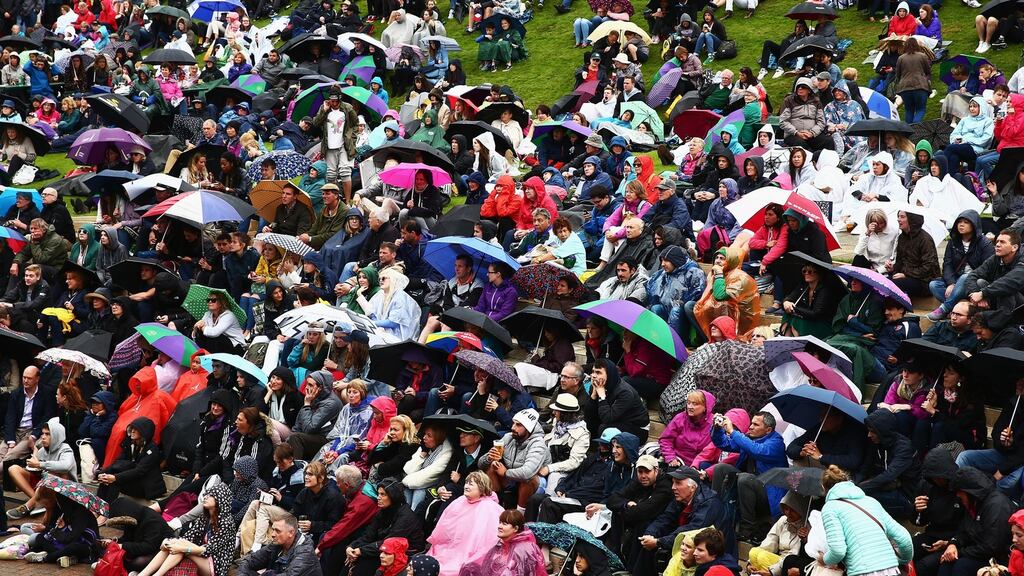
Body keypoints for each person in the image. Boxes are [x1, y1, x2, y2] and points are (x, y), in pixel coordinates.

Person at [819, 465, 913, 576]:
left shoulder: (830, 507)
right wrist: (902, 560)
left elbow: (838, 550)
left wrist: (824, 560)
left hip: (863, 570)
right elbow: (904, 538)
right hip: (891, 570)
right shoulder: (871, 501)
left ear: (824, 488)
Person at [710, 411, 788, 542]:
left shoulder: (777, 443)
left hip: (768, 495)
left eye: (756, 424)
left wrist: (733, 432)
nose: (750, 426)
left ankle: (747, 529)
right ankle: (714, 513)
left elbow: (757, 450)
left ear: (768, 430)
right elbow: (724, 444)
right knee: (721, 468)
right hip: (747, 488)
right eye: (751, 423)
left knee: (745, 478)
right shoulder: (750, 438)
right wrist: (717, 429)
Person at [630, 467, 724, 575]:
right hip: (687, 542)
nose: (673, 487)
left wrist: (659, 542)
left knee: (662, 546)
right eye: (673, 483)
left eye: (678, 483)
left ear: (692, 487)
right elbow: (664, 518)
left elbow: (690, 531)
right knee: (646, 536)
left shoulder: (709, 503)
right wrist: (649, 535)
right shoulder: (681, 498)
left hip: (709, 551)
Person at [427, 471, 505, 576]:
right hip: (450, 549)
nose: (466, 486)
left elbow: (489, 540)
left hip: (470, 554)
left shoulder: (490, 508)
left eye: (471, 484)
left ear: (481, 488)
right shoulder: (460, 501)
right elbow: (445, 526)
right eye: (466, 483)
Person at [345, 478, 425, 576]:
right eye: (378, 494)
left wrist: (360, 551)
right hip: (384, 549)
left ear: (393, 496)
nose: (378, 497)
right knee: (348, 557)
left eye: (383, 494)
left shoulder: (406, 517)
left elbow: (390, 543)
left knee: (365, 562)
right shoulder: (382, 512)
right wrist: (352, 547)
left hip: (403, 554)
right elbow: (368, 536)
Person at [457, 509, 547, 576]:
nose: (499, 526)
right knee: (469, 566)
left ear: (515, 528)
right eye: (500, 522)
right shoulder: (500, 542)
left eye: (505, 524)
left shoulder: (524, 549)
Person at [237, 515, 323, 576]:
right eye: (273, 529)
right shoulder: (276, 545)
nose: (273, 534)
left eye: (277, 531)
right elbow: (248, 561)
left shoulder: (305, 552)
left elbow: (290, 575)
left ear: (291, 532)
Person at [965, 228, 1024, 317]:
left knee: (1006, 290)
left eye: (1002, 242)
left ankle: (999, 322)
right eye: (997, 242)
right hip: (996, 300)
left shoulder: (1022, 259)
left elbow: (1010, 282)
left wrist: (983, 293)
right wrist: (978, 294)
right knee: (980, 282)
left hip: (1019, 304)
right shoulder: (995, 259)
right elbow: (973, 275)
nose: (997, 245)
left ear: (1014, 247)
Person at [588, 358, 650, 443]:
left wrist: (602, 397)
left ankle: (604, 453)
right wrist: (594, 395)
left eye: (598, 372)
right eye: (593, 372)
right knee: (589, 421)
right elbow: (589, 414)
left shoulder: (625, 392)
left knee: (604, 428)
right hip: (617, 421)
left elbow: (608, 418)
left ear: (609, 375)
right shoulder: (597, 387)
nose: (594, 376)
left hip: (637, 428)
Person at [287, 370, 343, 460]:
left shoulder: (331, 403)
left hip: (326, 439)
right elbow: (299, 424)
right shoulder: (314, 396)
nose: (306, 387)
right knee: (283, 446)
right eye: (307, 384)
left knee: (295, 438)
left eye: (310, 385)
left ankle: (296, 470)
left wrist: (307, 404)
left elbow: (309, 428)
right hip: (313, 435)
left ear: (320, 387)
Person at [889, 211, 940, 298]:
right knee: (882, 282)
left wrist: (906, 274)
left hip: (924, 281)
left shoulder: (925, 239)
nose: (898, 219)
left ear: (911, 220)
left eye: (902, 217)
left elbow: (928, 267)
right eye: (898, 216)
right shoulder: (902, 237)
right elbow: (900, 261)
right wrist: (893, 269)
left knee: (892, 285)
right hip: (907, 276)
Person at [895, 37, 932, 124]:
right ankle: (915, 126)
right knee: (920, 109)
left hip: (905, 88)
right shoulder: (922, 56)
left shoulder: (901, 58)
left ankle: (909, 130)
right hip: (920, 86)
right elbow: (928, 71)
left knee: (908, 110)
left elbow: (898, 74)